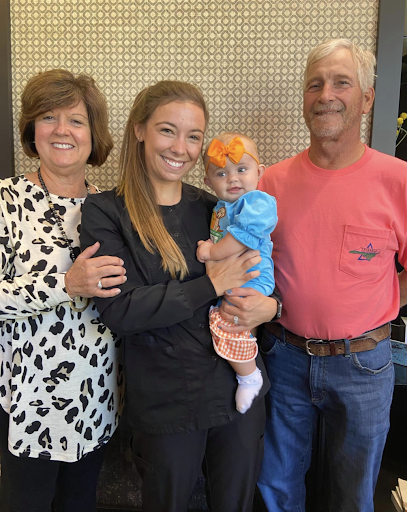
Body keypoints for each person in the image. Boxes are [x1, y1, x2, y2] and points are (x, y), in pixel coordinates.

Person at [80, 80, 276, 512]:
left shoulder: (214, 206)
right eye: (168, 130)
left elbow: (260, 267)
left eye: (193, 136)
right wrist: (211, 284)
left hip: (238, 390)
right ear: (139, 130)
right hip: (167, 403)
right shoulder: (106, 212)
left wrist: (272, 307)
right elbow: (121, 310)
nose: (180, 148)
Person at [256, 38, 407, 512]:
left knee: (353, 493)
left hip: (365, 364)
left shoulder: (398, 180)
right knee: (276, 486)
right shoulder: (270, 183)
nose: (326, 95)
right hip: (283, 357)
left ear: (367, 98)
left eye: (342, 82)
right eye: (315, 84)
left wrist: (381, 303)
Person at [0, 69, 126, 512]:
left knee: (80, 501)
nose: (62, 130)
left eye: (76, 120)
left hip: (97, 394)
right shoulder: (6, 200)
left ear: (93, 135)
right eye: (48, 117)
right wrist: (65, 284)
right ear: (32, 130)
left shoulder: (113, 207)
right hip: (28, 398)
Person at [197, 132, 277, 414]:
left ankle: (249, 376)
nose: (233, 179)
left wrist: (211, 252)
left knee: (231, 322)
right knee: (228, 321)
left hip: (253, 277)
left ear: (260, 172)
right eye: (221, 173)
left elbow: (244, 237)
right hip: (235, 276)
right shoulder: (223, 206)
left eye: (242, 169)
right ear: (208, 182)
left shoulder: (257, 202)